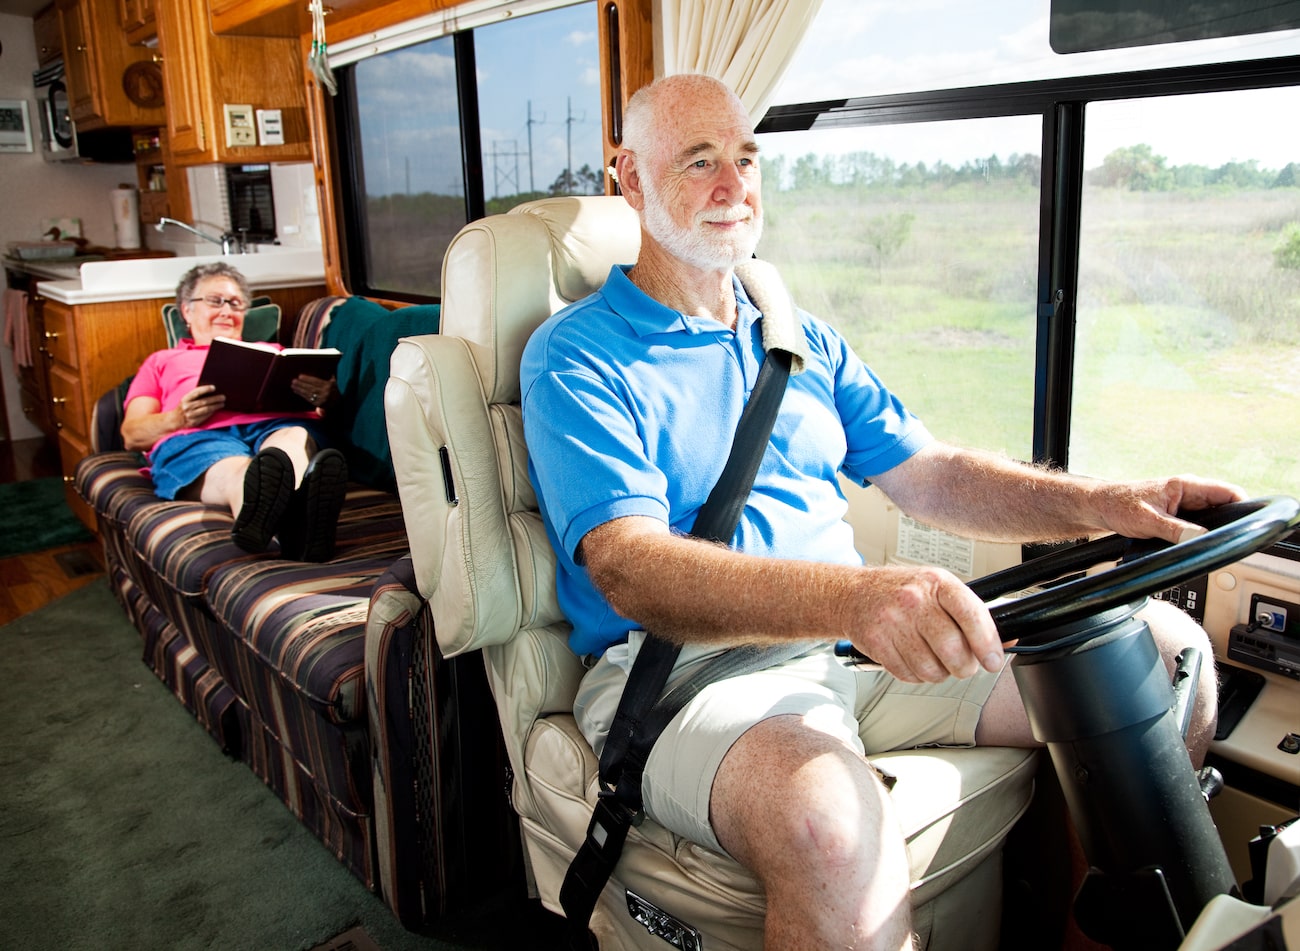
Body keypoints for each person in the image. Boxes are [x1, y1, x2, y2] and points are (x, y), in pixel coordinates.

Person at [519, 74, 1245, 951]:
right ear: (630, 179)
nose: (732, 185)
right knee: (831, 823)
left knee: (1168, 659)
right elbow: (631, 566)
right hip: (681, 678)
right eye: (699, 161)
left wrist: (1101, 504)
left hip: (849, 656)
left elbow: (931, 474)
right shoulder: (578, 355)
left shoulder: (800, 338)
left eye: (745, 158)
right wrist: (857, 597)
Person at [121, 262, 347, 562]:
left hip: (277, 425)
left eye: (236, 303)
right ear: (187, 311)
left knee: (291, 439)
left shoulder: (276, 352)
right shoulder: (162, 360)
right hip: (199, 437)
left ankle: (288, 530)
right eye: (215, 301)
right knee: (241, 470)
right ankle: (296, 528)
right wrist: (177, 418)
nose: (227, 311)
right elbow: (131, 434)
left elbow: (324, 413)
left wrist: (326, 399)